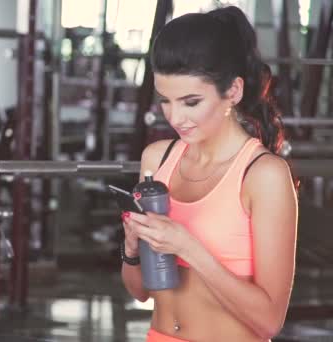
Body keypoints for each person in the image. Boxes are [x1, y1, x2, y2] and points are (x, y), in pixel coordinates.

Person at [120, 6, 298, 342]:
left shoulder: (263, 176)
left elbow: (269, 321)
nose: (175, 118)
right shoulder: (157, 159)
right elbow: (141, 291)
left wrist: (188, 248)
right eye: (165, 101)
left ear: (232, 92)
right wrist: (131, 250)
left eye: (190, 102)